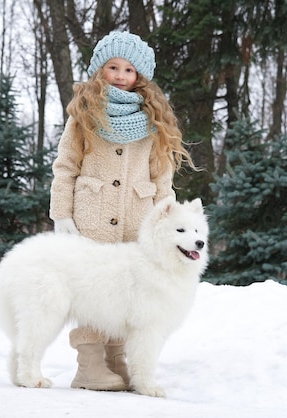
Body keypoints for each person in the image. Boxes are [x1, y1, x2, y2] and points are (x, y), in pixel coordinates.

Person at [49, 31, 195, 391]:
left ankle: (117, 362)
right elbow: (65, 166)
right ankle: (89, 365)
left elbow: (162, 176)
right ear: (100, 69)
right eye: (112, 66)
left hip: (138, 219)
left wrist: (167, 218)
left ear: (139, 76)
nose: (119, 74)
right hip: (91, 214)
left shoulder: (151, 119)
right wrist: (61, 215)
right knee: (90, 287)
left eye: (128, 69)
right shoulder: (83, 114)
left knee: (126, 291)